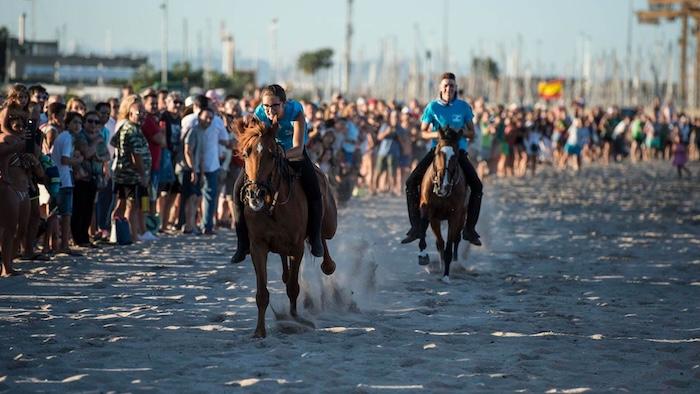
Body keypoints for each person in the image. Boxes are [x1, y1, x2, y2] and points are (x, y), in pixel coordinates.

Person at [231, 84, 323, 263]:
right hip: (267, 155)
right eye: (266, 106)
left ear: (284, 103)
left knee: (314, 189)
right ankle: (242, 244)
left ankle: (315, 237)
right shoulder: (259, 114)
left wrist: (280, 155)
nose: (270, 110)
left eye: (275, 106)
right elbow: (254, 141)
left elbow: (298, 147)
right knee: (236, 190)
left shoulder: (295, 111)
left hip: (292, 153)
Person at [401, 72, 483, 246]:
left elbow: (472, 132)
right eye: (445, 85)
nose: (448, 88)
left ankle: (470, 229)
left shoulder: (464, 107)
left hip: (458, 152)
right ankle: (415, 227)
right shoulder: (432, 107)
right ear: (440, 88)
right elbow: (422, 132)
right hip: (437, 151)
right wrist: (437, 134)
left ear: (455, 88)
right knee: (410, 183)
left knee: (477, 186)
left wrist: (459, 132)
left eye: (451, 85)